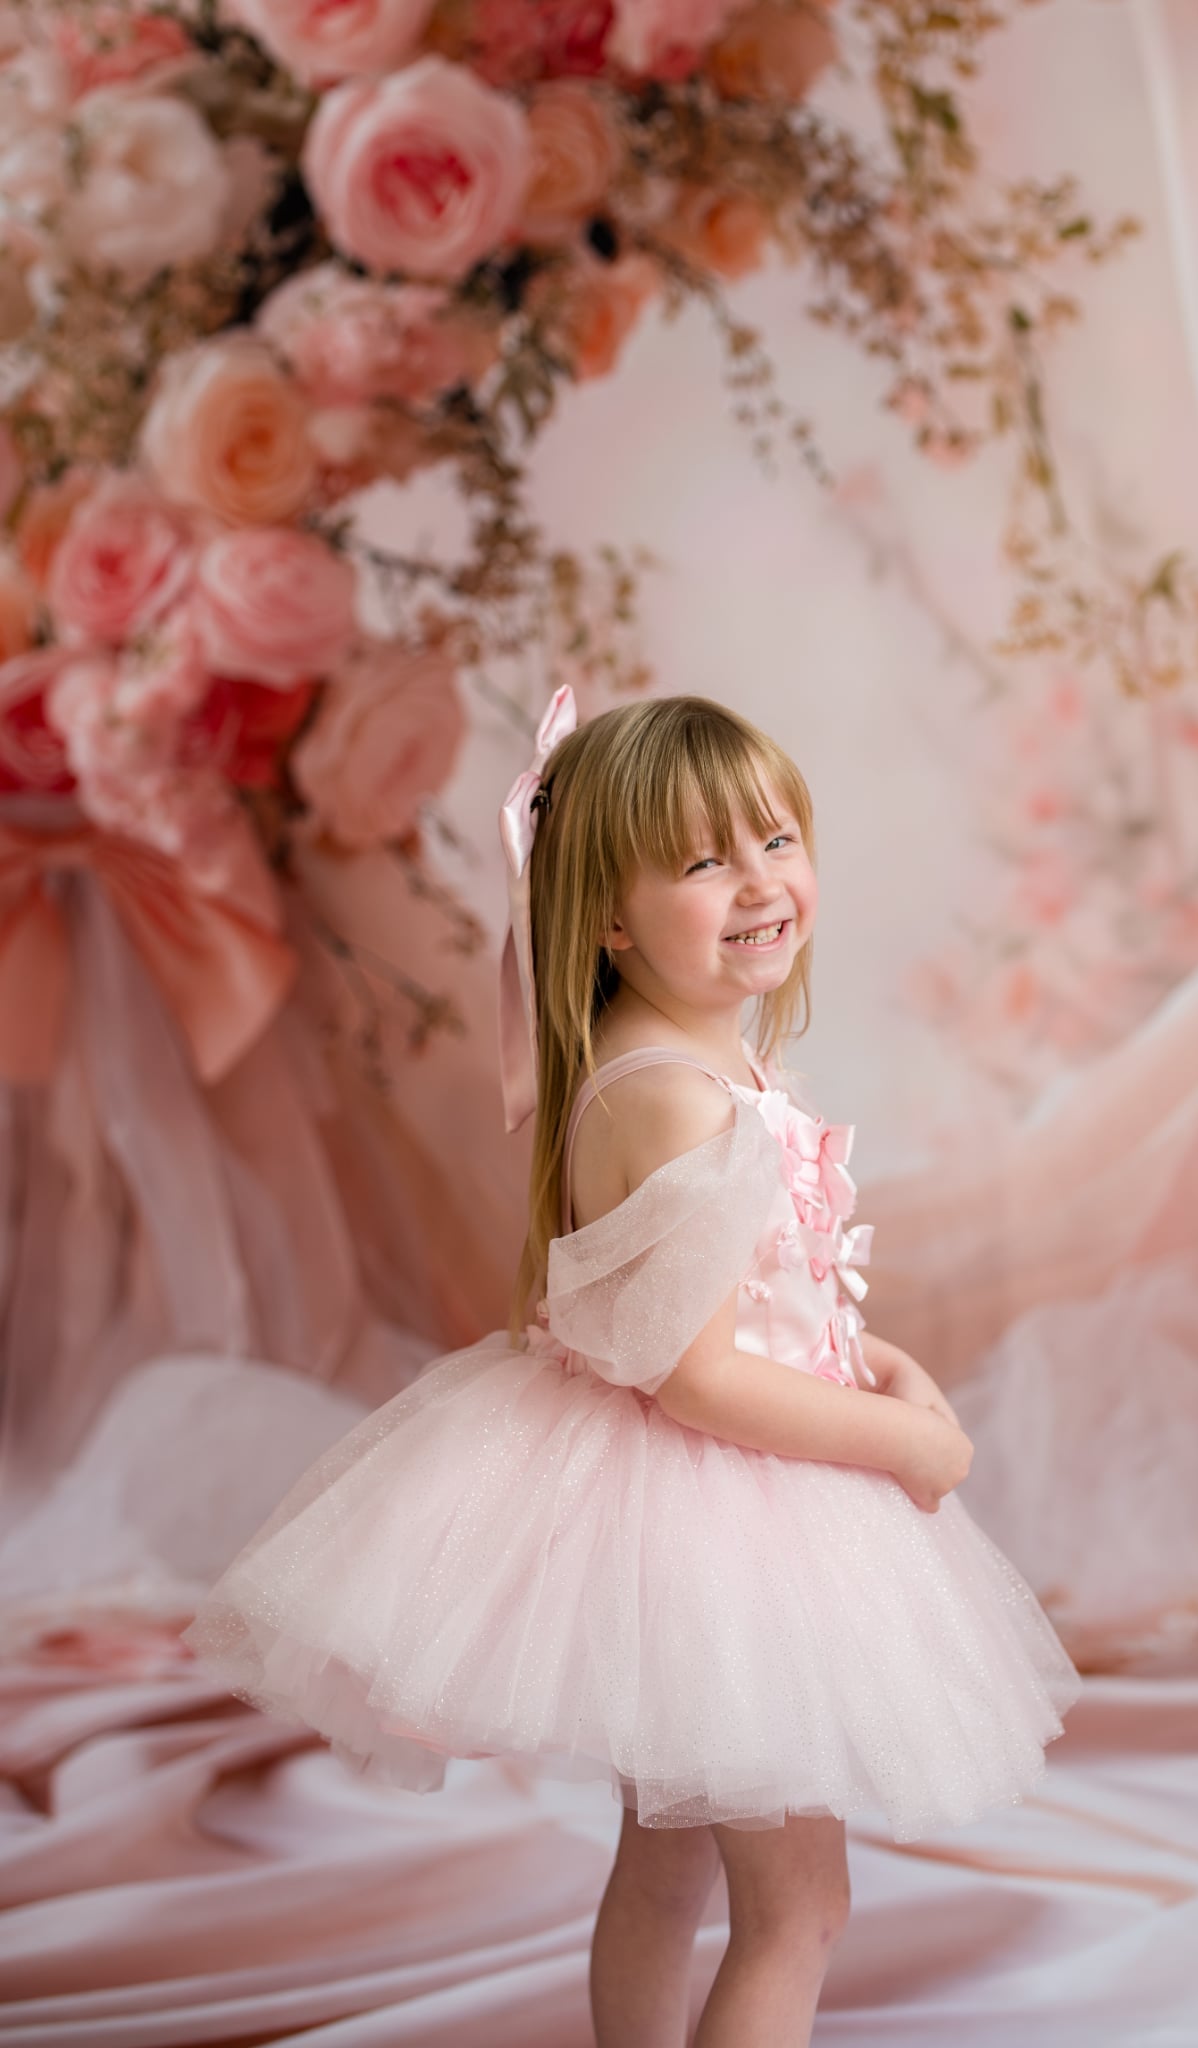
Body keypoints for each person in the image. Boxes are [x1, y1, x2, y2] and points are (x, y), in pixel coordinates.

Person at [181, 689, 1083, 2048]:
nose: (760, 884)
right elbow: (695, 1378)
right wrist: (907, 1445)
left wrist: (877, 1362)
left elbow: (736, 1296)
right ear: (608, 918)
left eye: (775, 840)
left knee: (666, 1870)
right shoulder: (674, 1097)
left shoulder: (681, 1059)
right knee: (799, 1908)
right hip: (725, 1519)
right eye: (704, 862)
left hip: (697, 1511)